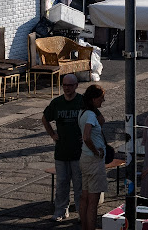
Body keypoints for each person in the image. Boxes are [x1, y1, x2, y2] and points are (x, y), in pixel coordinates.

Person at [42, 74, 84, 222]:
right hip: (61, 151)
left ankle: (81, 212)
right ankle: (60, 211)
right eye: (65, 85)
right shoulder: (57, 102)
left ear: (76, 86)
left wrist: (87, 135)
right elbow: (45, 118)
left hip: (78, 151)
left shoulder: (82, 101)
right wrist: (52, 134)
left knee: (79, 185)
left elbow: (99, 118)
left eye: (70, 85)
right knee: (61, 184)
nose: (67, 88)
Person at [78, 84, 107, 230]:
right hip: (93, 160)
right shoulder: (90, 115)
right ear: (94, 98)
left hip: (85, 158)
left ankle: (85, 226)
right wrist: (96, 151)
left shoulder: (83, 112)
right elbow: (86, 136)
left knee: (85, 196)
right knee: (93, 200)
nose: (103, 101)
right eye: (101, 98)